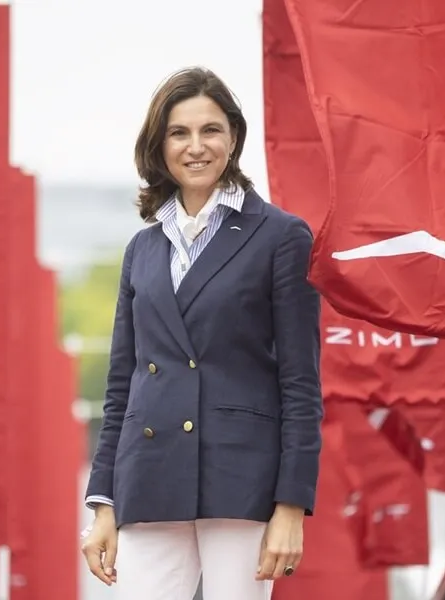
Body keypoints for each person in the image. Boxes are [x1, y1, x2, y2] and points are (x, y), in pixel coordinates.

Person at [80, 66, 324, 600]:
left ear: (233, 138)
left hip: (241, 476)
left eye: (210, 130)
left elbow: (301, 383)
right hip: (150, 474)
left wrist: (291, 505)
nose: (196, 147)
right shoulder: (143, 249)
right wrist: (103, 501)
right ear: (160, 146)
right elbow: (122, 387)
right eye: (179, 133)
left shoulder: (281, 237)